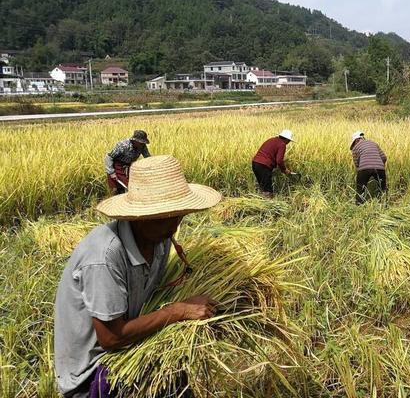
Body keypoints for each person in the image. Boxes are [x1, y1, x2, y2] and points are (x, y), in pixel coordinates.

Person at [54, 155, 223, 397]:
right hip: (96, 370)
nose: (174, 225)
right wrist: (179, 311)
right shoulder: (104, 256)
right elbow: (111, 338)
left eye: (179, 214)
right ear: (139, 217)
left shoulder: (160, 240)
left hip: (134, 346)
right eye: (165, 216)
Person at [104, 130, 151, 194]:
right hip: (117, 166)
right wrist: (111, 172)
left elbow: (147, 157)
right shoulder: (123, 145)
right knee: (118, 188)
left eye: (143, 142)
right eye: (141, 142)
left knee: (131, 185)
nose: (142, 144)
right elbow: (109, 157)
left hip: (129, 166)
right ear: (135, 140)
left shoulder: (142, 146)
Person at [252, 129, 294, 198]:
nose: (289, 142)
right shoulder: (282, 144)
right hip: (263, 166)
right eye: (289, 140)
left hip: (255, 163)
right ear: (286, 139)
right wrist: (284, 170)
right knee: (268, 189)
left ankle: (261, 203)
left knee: (263, 186)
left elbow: (267, 154)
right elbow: (279, 160)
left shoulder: (271, 140)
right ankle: (268, 205)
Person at [351, 131, 387, 205]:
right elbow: (384, 157)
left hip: (364, 168)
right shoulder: (374, 144)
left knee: (360, 188)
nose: (354, 144)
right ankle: (384, 204)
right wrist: (379, 165)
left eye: (354, 142)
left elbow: (356, 163)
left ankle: (359, 206)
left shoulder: (355, 148)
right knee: (382, 188)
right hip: (380, 168)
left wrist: (360, 171)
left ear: (357, 140)